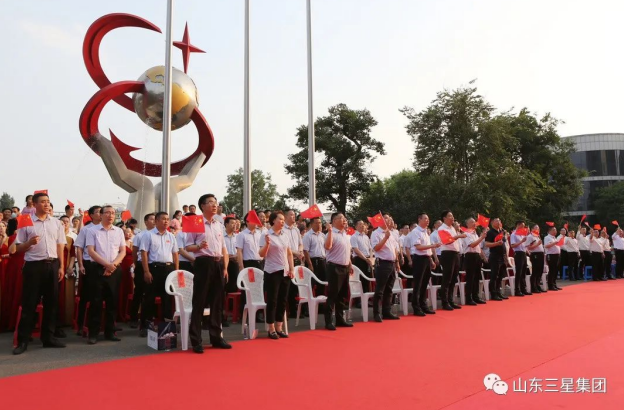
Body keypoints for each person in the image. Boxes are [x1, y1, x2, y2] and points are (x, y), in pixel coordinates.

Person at [13, 192, 66, 355]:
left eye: (48, 202)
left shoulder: (56, 223)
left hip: (52, 265)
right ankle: (23, 340)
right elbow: (17, 248)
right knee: (29, 303)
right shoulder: (26, 222)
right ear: (34, 204)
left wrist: (61, 266)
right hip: (33, 266)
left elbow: (60, 246)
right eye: (43, 202)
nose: (47, 204)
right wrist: (29, 243)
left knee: (52, 303)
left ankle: (48, 338)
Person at [185, 194, 231, 353]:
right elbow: (188, 247)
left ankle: (216, 338)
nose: (214, 205)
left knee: (217, 303)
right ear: (202, 206)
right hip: (203, 263)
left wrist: (225, 267)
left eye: (215, 202)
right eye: (210, 202)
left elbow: (224, 247)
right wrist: (199, 246)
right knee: (200, 301)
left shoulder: (219, 224)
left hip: (218, 263)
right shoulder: (196, 222)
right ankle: (196, 340)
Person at [85, 205, 126, 344]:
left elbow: (122, 251)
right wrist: (107, 265)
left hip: (114, 269)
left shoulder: (119, 231)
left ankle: (110, 331)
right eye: (107, 213)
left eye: (113, 213)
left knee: (112, 301)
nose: (111, 215)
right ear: (101, 215)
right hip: (97, 269)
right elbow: (91, 251)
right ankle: (93, 333)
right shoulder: (92, 231)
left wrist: (113, 265)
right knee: (96, 301)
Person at [139, 212, 178, 336]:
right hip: (154, 268)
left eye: (167, 219)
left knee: (167, 298)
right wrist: (146, 271)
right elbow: (144, 253)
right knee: (149, 297)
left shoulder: (171, 236)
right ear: (156, 221)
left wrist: (176, 272)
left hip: (169, 269)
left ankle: (166, 326)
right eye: (163, 219)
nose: (166, 221)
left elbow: (175, 254)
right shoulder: (148, 235)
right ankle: (146, 325)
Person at [258, 211, 294, 339]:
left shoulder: (285, 235)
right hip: (272, 271)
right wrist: (267, 244)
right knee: (272, 300)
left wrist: (292, 269)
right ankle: (271, 328)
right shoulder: (266, 234)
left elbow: (289, 253)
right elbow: (261, 254)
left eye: (283, 219)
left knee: (283, 300)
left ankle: (279, 326)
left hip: (285, 271)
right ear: (273, 220)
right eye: (280, 219)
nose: (283, 221)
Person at [405, 213, 441, 316]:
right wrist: (433, 245)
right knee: (418, 284)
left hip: (426, 259)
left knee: (425, 283)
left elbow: (427, 249)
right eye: (425, 218)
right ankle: (416, 307)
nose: (427, 220)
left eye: (428, 219)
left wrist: (431, 260)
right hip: (419, 259)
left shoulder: (426, 232)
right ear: (419, 219)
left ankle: (423, 305)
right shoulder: (416, 232)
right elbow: (419, 247)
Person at [74, 206, 102, 335]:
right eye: (98, 212)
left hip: (105, 265)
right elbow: (79, 248)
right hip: (89, 265)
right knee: (87, 295)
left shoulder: (108, 228)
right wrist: (81, 265)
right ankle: (82, 324)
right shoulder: (86, 229)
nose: (101, 214)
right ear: (91, 215)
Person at [323, 212, 353, 330]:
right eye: (341, 218)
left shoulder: (345, 234)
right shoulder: (331, 234)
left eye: (344, 218)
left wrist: (350, 264)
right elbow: (328, 247)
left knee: (342, 295)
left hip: (345, 267)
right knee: (333, 295)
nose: (344, 220)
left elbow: (346, 251)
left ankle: (340, 320)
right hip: (334, 267)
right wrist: (330, 231)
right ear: (334, 221)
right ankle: (328, 321)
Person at [370, 214, 401, 321]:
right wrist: (385, 238)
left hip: (391, 263)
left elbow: (394, 249)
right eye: (387, 218)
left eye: (391, 219)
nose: (390, 220)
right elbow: (376, 248)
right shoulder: (376, 233)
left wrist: (397, 262)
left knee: (389, 289)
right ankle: (376, 313)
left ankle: (386, 311)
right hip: (382, 263)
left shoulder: (391, 233)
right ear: (382, 220)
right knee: (380, 290)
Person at [128, 213, 156, 328]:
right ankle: (134, 317)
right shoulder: (140, 235)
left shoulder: (158, 235)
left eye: (155, 219)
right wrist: (136, 264)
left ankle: (150, 317)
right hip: (141, 265)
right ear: (145, 222)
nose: (154, 221)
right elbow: (134, 252)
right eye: (151, 219)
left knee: (151, 293)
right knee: (139, 291)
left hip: (154, 266)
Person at [437, 210, 466, 310]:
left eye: (452, 216)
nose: (452, 218)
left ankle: (450, 300)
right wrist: (458, 236)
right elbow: (447, 241)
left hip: (455, 254)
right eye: (450, 216)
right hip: (447, 254)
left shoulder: (452, 228)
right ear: (444, 218)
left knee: (453, 278)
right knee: (447, 279)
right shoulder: (441, 228)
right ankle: (445, 302)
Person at [461, 217, 487, 305]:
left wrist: (482, 257)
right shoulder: (466, 234)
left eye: (474, 222)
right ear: (467, 224)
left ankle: (476, 296)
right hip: (470, 256)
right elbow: (472, 245)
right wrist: (481, 237)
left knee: (477, 277)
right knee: (470, 278)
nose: (474, 223)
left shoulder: (475, 234)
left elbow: (478, 247)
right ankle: (469, 298)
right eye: (472, 222)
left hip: (477, 256)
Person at [485, 218, 507, 301]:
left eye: (500, 221)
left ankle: (498, 292)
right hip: (494, 256)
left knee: (500, 275)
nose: (499, 222)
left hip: (502, 256)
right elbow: (487, 244)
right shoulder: (490, 232)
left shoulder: (501, 232)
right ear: (492, 223)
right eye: (497, 221)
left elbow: (504, 242)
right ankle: (493, 293)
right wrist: (496, 243)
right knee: (494, 275)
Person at [223, 216, 239, 326]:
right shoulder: (221, 236)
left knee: (233, 287)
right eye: (232, 223)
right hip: (224, 263)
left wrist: (237, 256)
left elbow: (240, 250)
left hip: (234, 264)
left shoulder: (237, 236)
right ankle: (223, 313)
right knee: (223, 287)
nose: (235, 225)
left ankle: (232, 312)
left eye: (235, 223)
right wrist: (227, 256)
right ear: (226, 224)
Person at [350, 220, 374, 293]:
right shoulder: (354, 237)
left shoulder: (366, 237)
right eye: (360, 224)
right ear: (356, 227)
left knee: (368, 278)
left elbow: (370, 249)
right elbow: (356, 250)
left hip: (368, 260)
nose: (362, 225)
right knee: (360, 279)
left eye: (363, 224)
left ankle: (368, 295)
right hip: (359, 260)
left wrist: (371, 258)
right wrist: (365, 259)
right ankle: (360, 297)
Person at [509, 221, 530, 296]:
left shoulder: (522, 234)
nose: (523, 227)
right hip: (518, 253)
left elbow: (524, 245)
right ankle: (517, 290)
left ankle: (523, 289)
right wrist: (521, 241)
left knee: (524, 271)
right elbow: (512, 245)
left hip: (523, 253)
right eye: (522, 226)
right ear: (518, 225)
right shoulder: (513, 234)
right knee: (519, 272)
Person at [118, 227, 134, 322]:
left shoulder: (132, 243)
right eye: (127, 232)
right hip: (122, 266)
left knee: (129, 289)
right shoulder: (120, 243)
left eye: (130, 232)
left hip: (130, 268)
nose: (129, 234)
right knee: (121, 289)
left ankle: (128, 312)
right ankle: (120, 313)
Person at [526, 225, 545, 293]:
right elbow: (528, 247)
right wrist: (537, 244)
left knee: (540, 270)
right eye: (536, 228)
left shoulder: (537, 236)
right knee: (535, 271)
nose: (538, 229)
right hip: (535, 254)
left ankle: (538, 285)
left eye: (538, 228)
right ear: (532, 229)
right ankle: (533, 287)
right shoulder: (530, 236)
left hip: (540, 254)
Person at [544, 226, 563, 291]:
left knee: (555, 270)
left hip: (557, 255)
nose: (555, 231)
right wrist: (555, 243)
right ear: (549, 231)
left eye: (556, 230)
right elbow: (546, 246)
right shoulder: (547, 237)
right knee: (552, 270)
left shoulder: (554, 238)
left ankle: (554, 284)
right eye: (554, 230)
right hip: (551, 255)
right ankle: (550, 285)